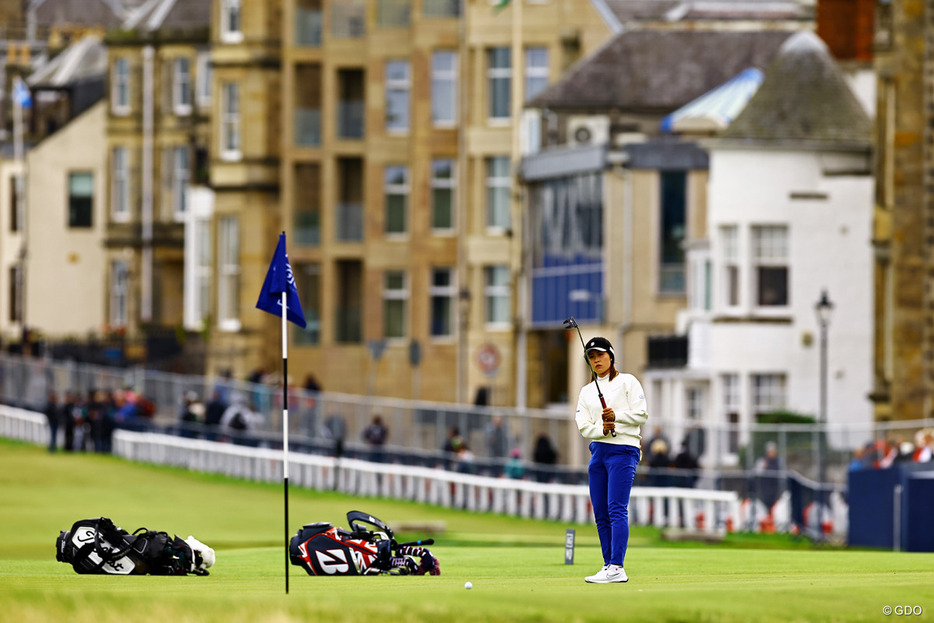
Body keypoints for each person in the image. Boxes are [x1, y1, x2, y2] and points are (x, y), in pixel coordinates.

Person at [574, 336, 647, 584]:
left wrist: (616, 417)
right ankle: (608, 565)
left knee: (617, 508)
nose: (596, 361)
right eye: (591, 357)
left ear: (611, 356)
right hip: (599, 452)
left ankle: (617, 566)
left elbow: (642, 414)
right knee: (601, 512)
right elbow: (583, 426)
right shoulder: (586, 392)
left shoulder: (628, 381)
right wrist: (602, 430)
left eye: (600, 355)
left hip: (624, 450)